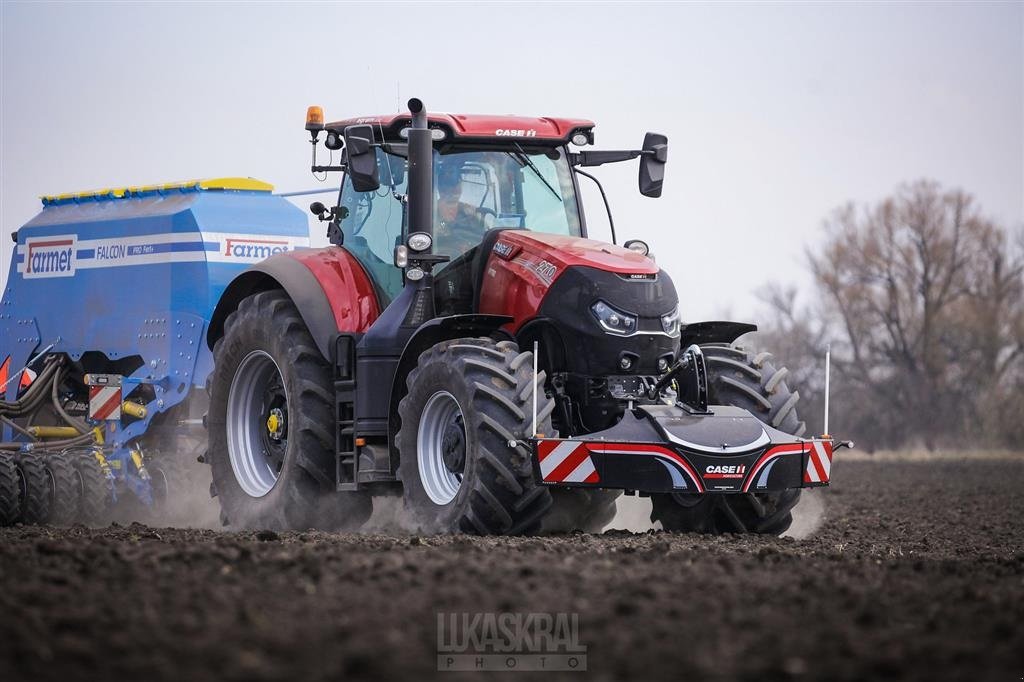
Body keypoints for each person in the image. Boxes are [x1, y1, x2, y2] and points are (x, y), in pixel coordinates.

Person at [435, 164, 487, 258]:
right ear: (440, 188)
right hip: (441, 265)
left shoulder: (472, 213)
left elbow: (486, 237)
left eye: (456, 184)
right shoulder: (428, 214)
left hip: (471, 263)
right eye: (448, 185)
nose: (454, 190)